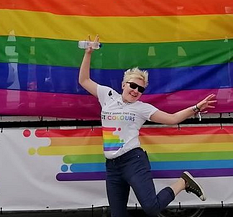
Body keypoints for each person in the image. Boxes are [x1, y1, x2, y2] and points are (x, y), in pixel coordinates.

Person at [78, 35, 212, 217]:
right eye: (133, 85)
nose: (135, 91)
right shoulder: (107, 95)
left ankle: (183, 182)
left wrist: (195, 108)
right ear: (123, 84)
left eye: (140, 89)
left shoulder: (142, 108)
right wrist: (88, 53)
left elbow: (172, 119)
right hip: (112, 166)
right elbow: (84, 80)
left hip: (133, 161)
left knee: (152, 208)